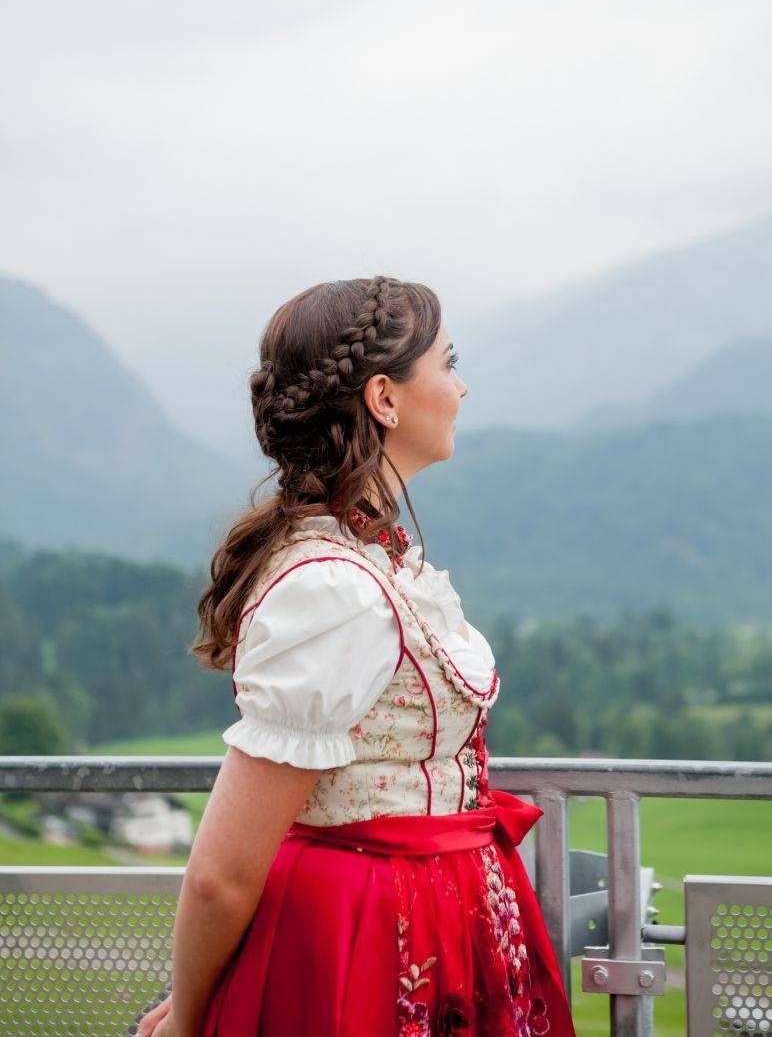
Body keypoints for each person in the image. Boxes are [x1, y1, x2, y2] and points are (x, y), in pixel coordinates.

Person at [137, 275, 576, 1036]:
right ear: (384, 397)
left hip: (433, 925)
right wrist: (189, 1021)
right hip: (370, 939)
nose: (463, 387)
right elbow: (221, 875)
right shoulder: (332, 590)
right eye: (448, 362)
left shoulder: (365, 559)